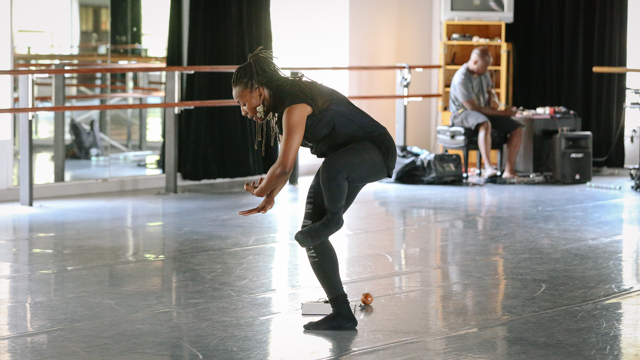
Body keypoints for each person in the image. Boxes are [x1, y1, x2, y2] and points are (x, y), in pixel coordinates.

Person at [231, 48, 396, 331]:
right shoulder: (281, 107)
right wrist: (269, 195)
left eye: (242, 103)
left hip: (376, 152)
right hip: (345, 161)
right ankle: (342, 312)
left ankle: (334, 219)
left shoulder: (295, 100)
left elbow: (283, 166)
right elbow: (284, 166)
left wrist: (262, 190)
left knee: (329, 184)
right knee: (312, 230)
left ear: (258, 91)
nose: (244, 111)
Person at [449, 46, 523, 178]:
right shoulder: (461, 78)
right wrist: (503, 113)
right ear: (475, 62)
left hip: (482, 112)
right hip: (461, 113)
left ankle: (509, 170)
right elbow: (473, 108)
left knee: (516, 128)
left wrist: (498, 108)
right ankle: (488, 168)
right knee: (485, 123)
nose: (486, 69)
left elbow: (489, 94)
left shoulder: (484, 73)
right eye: (484, 66)